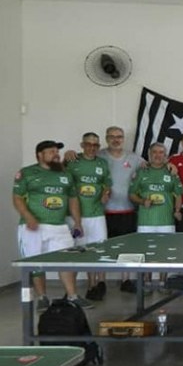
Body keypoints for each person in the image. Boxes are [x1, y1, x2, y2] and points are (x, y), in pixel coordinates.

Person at [13, 140, 92, 311]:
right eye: (51, 152)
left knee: (67, 260)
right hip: (32, 227)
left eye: (57, 151)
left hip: (59, 226)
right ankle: (42, 297)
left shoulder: (65, 174)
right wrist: (28, 217)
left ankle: (72, 296)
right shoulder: (27, 173)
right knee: (35, 263)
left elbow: (73, 199)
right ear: (40, 155)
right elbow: (17, 197)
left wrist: (77, 222)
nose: (56, 155)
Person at [128, 143, 183, 289]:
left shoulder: (171, 172)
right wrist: (142, 201)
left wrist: (177, 210)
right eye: (154, 152)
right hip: (145, 221)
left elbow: (178, 194)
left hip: (166, 221)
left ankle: (162, 282)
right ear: (149, 154)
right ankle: (147, 282)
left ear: (165, 155)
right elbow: (132, 194)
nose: (157, 155)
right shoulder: (141, 172)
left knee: (165, 252)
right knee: (145, 252)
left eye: (161, 152)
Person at [98, 126, 146, 293]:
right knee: (102, 248)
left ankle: (126, 280)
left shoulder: (134, 159)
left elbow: (153, 168)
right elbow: (81, 163)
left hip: (127, 210)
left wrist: (171, 167)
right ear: (106, 138)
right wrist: (69, 155)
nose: (116, 140)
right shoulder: (99, 157)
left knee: (127, 248)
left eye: (119, 136)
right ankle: (101, 282)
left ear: (123, 139)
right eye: (112, 136)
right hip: (103, 212)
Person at [66, 132, 112, 301]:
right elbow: (61, 180)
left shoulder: (102, 163)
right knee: (77, 251)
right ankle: (75, 289)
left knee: (99, 249)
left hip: (96, 214)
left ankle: (99, 284)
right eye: (88, 144)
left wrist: (106, 193)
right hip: (75, 215)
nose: (92, 148)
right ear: (82, 145)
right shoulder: (72, 161)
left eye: (95, 145)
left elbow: (107, 184)